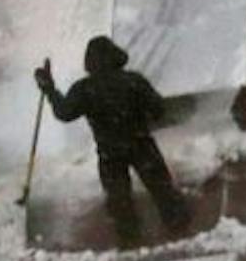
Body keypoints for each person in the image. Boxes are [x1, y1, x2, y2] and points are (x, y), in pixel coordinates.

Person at [35, 36, 194, 246]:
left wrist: (50, 90)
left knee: (120, 202)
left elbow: (64, 113)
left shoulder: (84, 88)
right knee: (162, 191)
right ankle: (180, 232)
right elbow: (158, 110)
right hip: (141, 145)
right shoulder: (133, 80)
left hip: (110, 152)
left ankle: (131, 243)